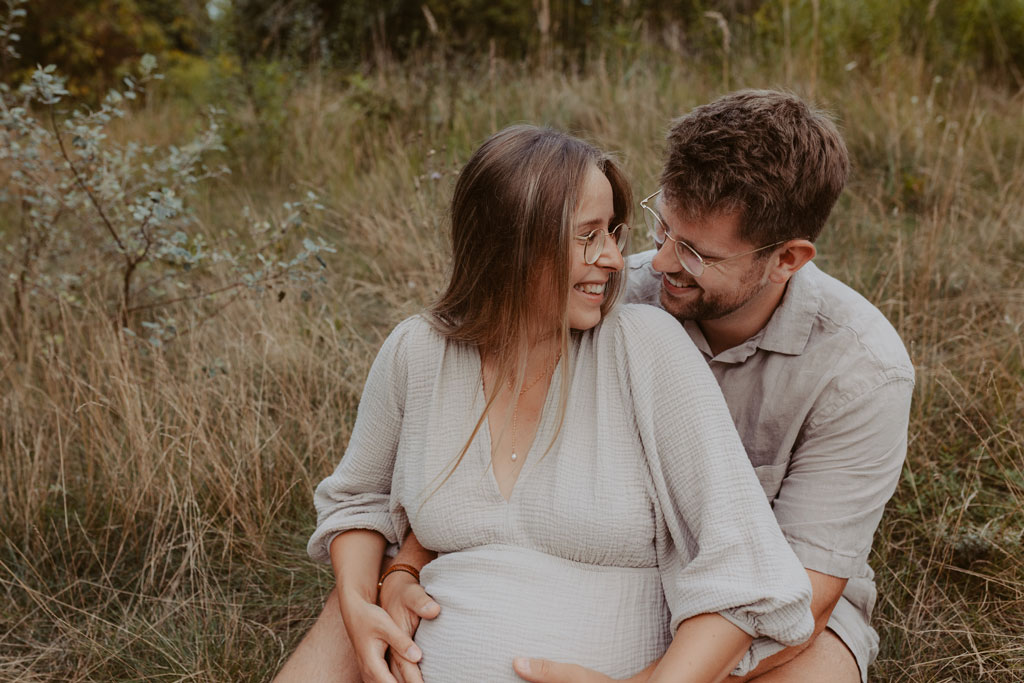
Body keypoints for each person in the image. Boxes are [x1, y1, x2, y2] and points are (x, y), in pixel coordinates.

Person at [368, 91, 915, 683]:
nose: (658, 265)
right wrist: (406, 567)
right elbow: (499, 452)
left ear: (787, 258)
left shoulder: (861, 373)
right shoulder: (604, 292)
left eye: (697, 254)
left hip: (781, 615)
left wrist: (648, 680)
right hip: (610, 561)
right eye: (663, 228)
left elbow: (808, 589)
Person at [274, 124, 815, 683]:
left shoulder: (647, 346)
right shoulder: (418, 350)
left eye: (613, 232)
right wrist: (366, 604)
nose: (614, 259)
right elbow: (359, 502)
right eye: (588, 236)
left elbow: (746, 570)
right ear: (513, 241)